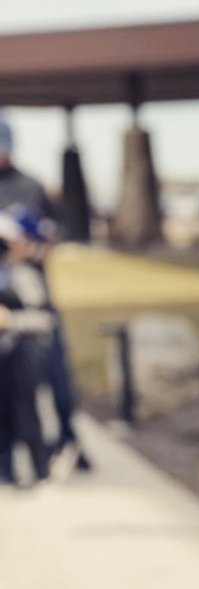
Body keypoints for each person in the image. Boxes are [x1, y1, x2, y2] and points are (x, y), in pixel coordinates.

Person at [0, 116, 91, 477]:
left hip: (34, 299)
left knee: (56, 375)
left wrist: (34, 247)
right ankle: (8, 461)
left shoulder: (30, 185)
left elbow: (60, 229)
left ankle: (68, 440)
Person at [0, 211, 56, 486]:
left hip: (21, 353)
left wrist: (11, 320)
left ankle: (40, 470)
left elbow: (45, 319)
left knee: (26, 413)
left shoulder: (23, 275)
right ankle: (5, 472)